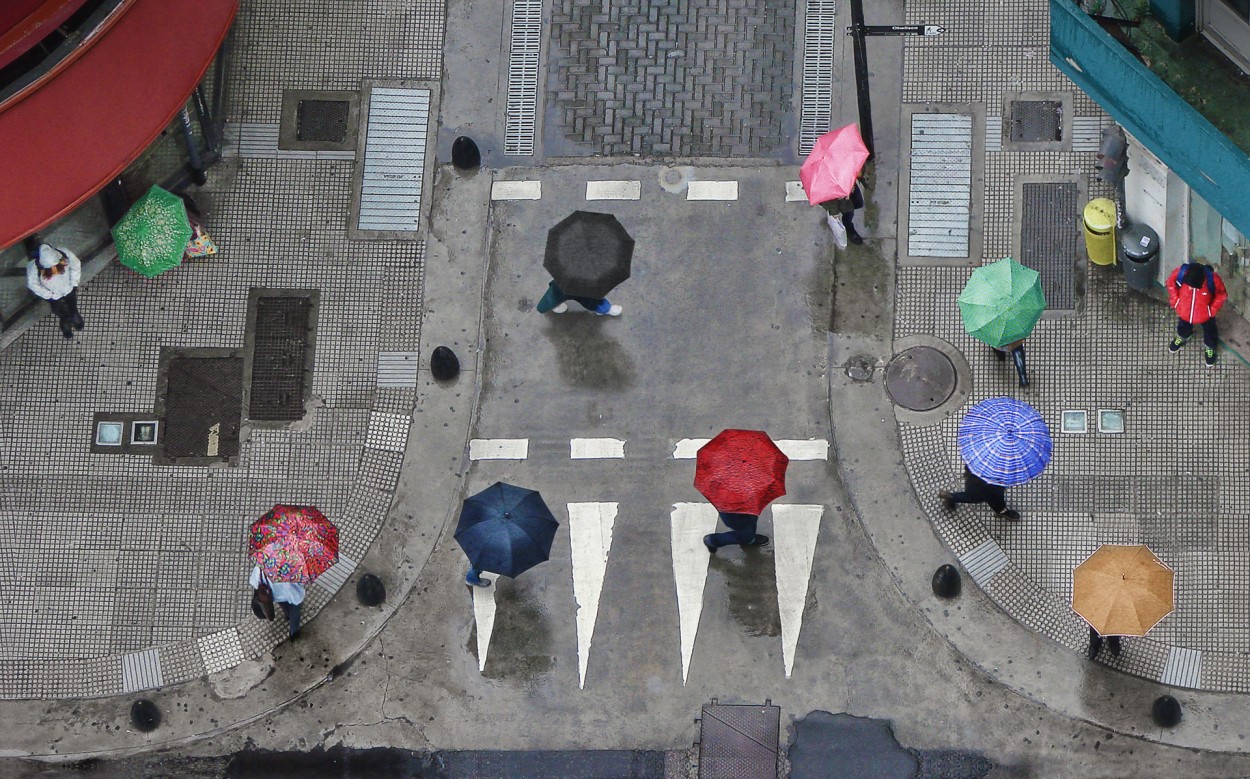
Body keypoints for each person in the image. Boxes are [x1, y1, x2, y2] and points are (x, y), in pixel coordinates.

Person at [1167, 261, 1226, 367]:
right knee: (1183, 325)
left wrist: (1211, 310)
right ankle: (1183, 335)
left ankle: (1210, 346)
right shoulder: (1181, 272)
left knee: (1210, 330)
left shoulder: (1213, 279)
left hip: (1205, 315)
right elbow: (1170, 283)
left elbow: (1221, 295)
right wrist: (1176, 302)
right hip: (1185, 312)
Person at [26, 243, 84, 339]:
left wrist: (73, 282)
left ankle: (75, 315)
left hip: (69, 289)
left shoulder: (63, 253)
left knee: (72, 305)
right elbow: (33, 285)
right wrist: (49, 295)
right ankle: (66, 323)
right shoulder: (34, 268)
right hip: (54, 296)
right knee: (60, 311)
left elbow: (76, 264)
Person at [938, 466, 1020, 520]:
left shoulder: (984, 451)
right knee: (976, 498)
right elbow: (997, 495)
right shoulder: (1001, 472)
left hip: (973, 477)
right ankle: (1003, 512)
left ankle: (950, 497)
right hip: (984, 487)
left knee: (971, 494)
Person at [249, 565, 304, 638]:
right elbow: (296, 595)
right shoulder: (258, 571)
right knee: (294, 613)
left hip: (285, 593)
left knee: (292, 611)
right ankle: (293, 631)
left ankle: (293, 630)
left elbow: (296, 597)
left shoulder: (258, 575)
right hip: (288, 592)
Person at [818, 177, 866, 246]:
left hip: (847, 186)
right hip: (837, 199)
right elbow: (828, 198)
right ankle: (849, 229)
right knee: (848, 214)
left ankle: (848, 226)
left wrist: (851, 184)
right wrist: (834, 212)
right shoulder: (824, 179)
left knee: (858, 203)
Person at [536, 280, 622, 316]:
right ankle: (603, 309)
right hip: (581, 286)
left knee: (556, 293)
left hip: (564, 281)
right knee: (592, 298)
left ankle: (555, 305)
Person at [703, 511, 769, 553]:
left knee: (750, 523)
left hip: (742, 508)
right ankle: (713, 540)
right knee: (746, 534)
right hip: (737, 513)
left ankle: (749, 538)